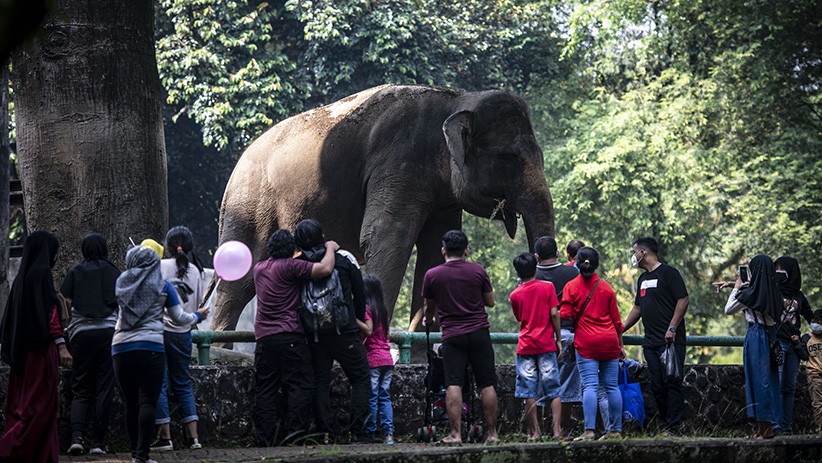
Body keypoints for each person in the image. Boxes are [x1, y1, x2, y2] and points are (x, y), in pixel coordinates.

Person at [112, 245, 208, 463]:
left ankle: (134, 452)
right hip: (151, 347)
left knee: (130, 403)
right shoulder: (163, 286)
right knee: (147, 402)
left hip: (120, 348)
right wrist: (198, 316)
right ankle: (142, 457)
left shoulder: (120, 282)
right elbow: (179, 318)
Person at [252, 229, 338, 446]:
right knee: (300, 387)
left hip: (264, 338)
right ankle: (294, 437)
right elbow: (325, 269)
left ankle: (264, 439)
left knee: (265, 389)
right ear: (291, 250)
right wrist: (330, 247)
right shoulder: (291, 267)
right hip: (290, 336)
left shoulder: (259, 269)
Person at [293, 219, 370, 443]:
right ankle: (358, 432)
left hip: (314, 333)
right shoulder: (344, 258)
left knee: (320, 381)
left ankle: (325, 433)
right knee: (361, 377)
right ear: (322, 235)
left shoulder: (299, 264)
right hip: (343, 330)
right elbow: (360, 293)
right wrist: (357, 320)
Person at [0, 231, 72, 462]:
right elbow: (49, 315)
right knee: (39, 407)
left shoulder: (22, 279)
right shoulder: (42, 275)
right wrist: (61, 344)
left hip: (22, 354)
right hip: (40, 353)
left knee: (23, 405)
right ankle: (10, 449)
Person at [422, 230, 499, 445]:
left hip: (452, 335)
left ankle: (456, 434)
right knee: (486, 383)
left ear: (443, 250)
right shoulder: (478, 271)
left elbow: (429, 308)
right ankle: (492, 434)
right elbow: (490, 302)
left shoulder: (433, 275)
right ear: (466, 250)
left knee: (453, 383)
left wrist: (428, 320)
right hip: (479, 332)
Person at [534, 236, 609, 438]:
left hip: (539, 334)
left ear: (536, 256)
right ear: (557, 253)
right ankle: (561, 429)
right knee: (566, 384)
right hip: (569, 333)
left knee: (536, 383)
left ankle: (535, 431)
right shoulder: (572, 272)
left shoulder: (530, 274)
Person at [621, 237, 689, 436]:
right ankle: (665, 425)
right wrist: (621, 328)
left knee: (672, 383)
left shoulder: (669, 273)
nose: (633, 256)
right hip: (650, 342)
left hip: (670, 341)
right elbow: (638, 308)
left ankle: (673, 427)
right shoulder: (642, 279)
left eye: (634, 252)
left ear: (643, 252)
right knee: (657, 385)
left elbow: (683, 299)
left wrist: (672, 328)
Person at [62, 233, 120, 455]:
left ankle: (76, 437)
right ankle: (98, 442)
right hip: (108, 334)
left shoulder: (76, 270)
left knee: (81, 387)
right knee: (104, 388)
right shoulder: (114, 271)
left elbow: (64, 299)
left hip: (80, 335)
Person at [559, 246, 623, 441]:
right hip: (610, 342)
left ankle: (589, 431)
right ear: (596, 265)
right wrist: (620, 347)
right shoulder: (606, 287)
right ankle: (616, 431)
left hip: (586, 343)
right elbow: (617, 321)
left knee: (590, 387)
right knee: (612, 387)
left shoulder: (571, 286)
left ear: (577, 263)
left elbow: (565, 315)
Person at [152, 226, 207, 451]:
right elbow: (199, 309)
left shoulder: (159, 266)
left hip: (159, 332)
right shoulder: (197, 271)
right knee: (183, 383)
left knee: (160, 384)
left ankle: (165, 439)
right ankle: (194, 438)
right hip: (183, 334)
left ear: (168, 246)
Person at [724, 254, 783, 439]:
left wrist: (735, 288)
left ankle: (763, 430)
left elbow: (729, 309)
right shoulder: (775, 293)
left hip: (756, 336)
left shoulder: (750, 295)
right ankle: (768, 427)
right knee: (769, 381)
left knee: (757, 381)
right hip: (772, 336)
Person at [510, 252, 562, 440]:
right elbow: (555, 314)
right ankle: (557, 431)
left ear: (518, 271)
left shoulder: (515, 294)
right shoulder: (547, 287)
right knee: (553, 389)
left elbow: (519, 318)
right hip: (546, 344)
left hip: (526, 346)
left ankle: (535, 433)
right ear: (536, 267)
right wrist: (558, 339)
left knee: (528, 390)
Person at [772, 256, 813, 434]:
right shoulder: (773, 291)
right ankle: (775, 424)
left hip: (794, 345)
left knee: (789, 387)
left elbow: (810, 316)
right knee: (777, 383)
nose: (778, 273)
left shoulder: (799, 296)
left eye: (781, 269)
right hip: (778, 343)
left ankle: (786, 426)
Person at [359, 274, 395, 444]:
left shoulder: (367, 309)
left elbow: (368, 330)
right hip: (387, 360)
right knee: (385, 397)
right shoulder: (383, 311)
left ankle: (371, 432)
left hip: (373, 360)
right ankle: (389, 435)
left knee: (373, 397)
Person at [797, 310, 822, 432]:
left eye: (819, 321)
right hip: (814, 374)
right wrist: (797, 343)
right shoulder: (807, 338)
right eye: (814, 320)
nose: (816, 323)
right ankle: (819, 428)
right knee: (817, 404)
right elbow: (803, 355)